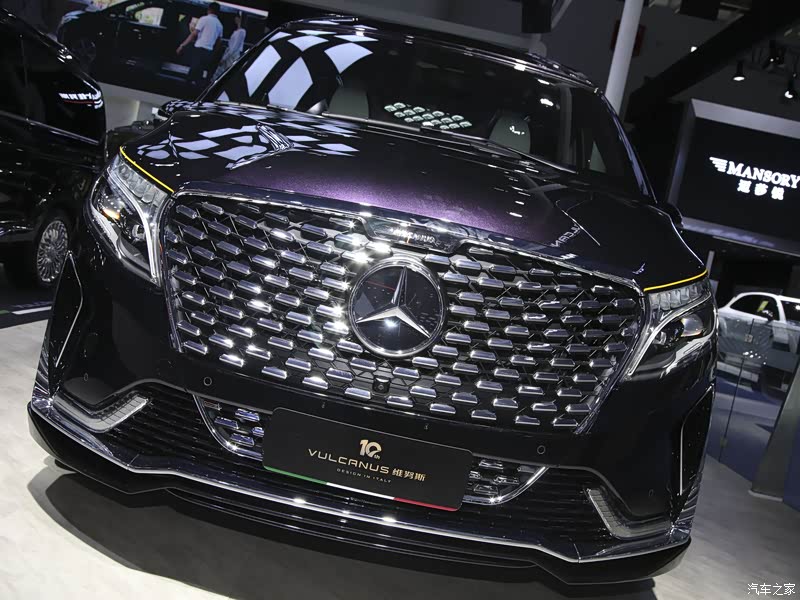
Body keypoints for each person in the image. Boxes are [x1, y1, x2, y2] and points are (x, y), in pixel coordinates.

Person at [177, 1, 223, 88]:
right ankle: (196, 87)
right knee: (200, 70)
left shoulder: (204, 19)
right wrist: (214, 52)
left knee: (194, 69)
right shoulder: (219, 25)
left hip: (199, 48)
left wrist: (182, 45)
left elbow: (194, 34)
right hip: (209, 51)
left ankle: (187, 86)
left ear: (209, 9)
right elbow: (219, 41)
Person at [213, 14, 246, 79]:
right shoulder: (237, 31)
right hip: (229, 53)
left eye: (238, 18)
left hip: (232, 54)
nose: (236, 19)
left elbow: (235, 47)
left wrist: (225, 57)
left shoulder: (241, 31)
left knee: (227, 72)